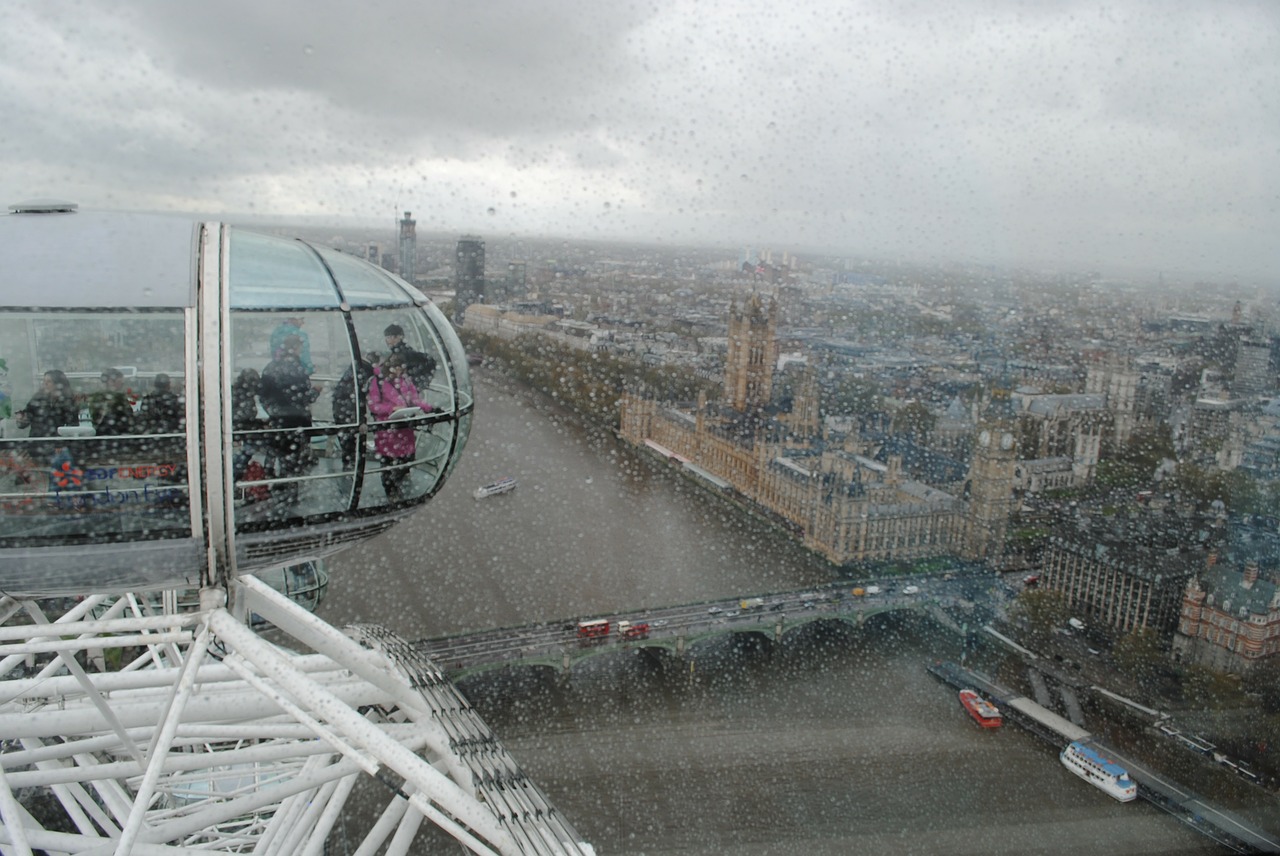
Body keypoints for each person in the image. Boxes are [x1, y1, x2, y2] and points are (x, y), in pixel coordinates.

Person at [367, 352, 432, 501]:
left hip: (404, 428)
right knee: (388, 462)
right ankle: (391, 491)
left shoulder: (406, 381)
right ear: (389, 367)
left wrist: (430, 408)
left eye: (401, 370)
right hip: (386, 430)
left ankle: (395, 485)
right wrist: (392, 409)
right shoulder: (377, 382)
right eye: (396, 369)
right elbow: (373, 406)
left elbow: (415, 399)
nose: (399, 373)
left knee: (407, 459)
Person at [259, 336, 320, 488]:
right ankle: (289, 487)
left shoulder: (271, 367)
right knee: (293, 457)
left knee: (279, 449)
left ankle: (274, 479)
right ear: (296, 349)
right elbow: (305, 397)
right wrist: (316, 391)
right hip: (297, 419)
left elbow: (263, 395)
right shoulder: (298, 369)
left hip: (278, 418)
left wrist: (272, 411)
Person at [331, 357, 375, 471]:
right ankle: (351, 463)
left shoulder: (352, 374)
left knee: (347, 439)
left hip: (343, 411)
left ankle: (349, 463)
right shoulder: (363, 374)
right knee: (350, 439)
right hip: (349, 412)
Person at [15, 369, 78, 437]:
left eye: (49, 381)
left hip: (58, 442)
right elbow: (24, 422)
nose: (45, 384)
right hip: (37, 441)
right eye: (44, 381)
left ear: (58, 384)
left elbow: (73, 426)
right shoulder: (37, 399)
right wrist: (21, 419)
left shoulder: (67, 402)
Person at [383, 324, 436, 393]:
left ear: (398, 337)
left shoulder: (405, 354)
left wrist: (415, 383)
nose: (387, 341)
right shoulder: (403, 352)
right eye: (386, 337)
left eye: (389, 337)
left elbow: (429, 361)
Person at [89, 367, 135, 436]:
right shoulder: (103, 398)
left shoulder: (119, 396)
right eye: (120, 382)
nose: (122, 385)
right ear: (110, 381)